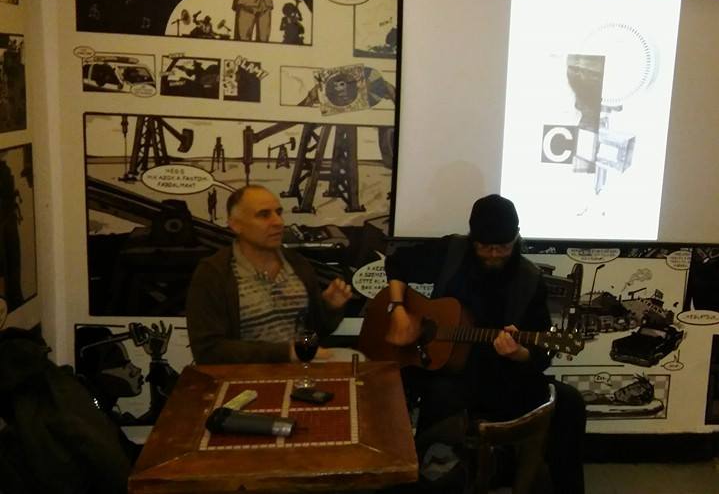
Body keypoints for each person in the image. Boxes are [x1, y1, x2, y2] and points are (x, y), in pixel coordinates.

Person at [384, 194, 585, 494]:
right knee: (426, 394)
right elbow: (397, 262)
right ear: (472, 239)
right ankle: (420, 475)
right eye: (484, 247)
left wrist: (520, 354)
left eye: (502, 247)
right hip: (443, 371)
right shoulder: (452, 252)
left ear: (516, 238)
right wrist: (398, 310)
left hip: (500, 377)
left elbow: (541, 353)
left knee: (570, 403)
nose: (493, 255)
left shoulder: (529, 280)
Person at [186, 185, 352, 364]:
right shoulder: (214, 273)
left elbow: (312, 334)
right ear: (236, 225)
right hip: (243, 378)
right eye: (264, 215)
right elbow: (208, 351)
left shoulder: (298, 265)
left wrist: (328, 308)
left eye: (278, 213)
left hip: (300, 374)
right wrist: (285, 353)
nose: (278, 222)